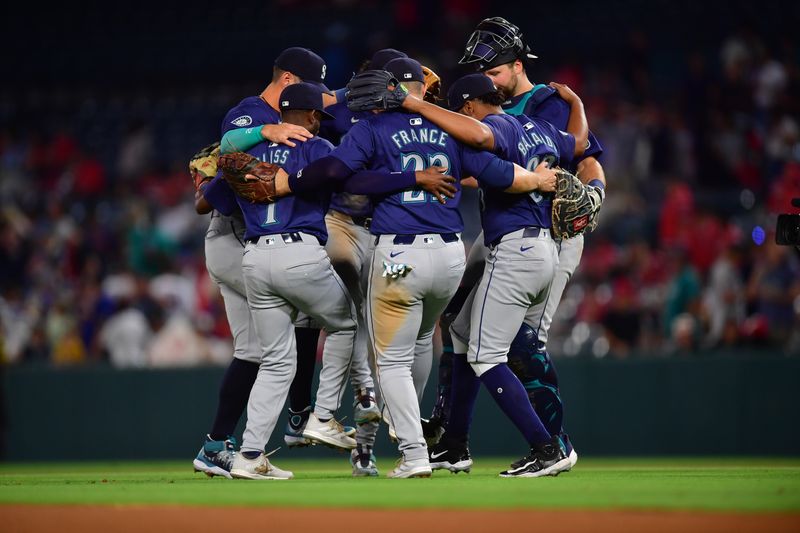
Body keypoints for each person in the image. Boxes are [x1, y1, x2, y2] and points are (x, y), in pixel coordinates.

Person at [273, 58, 558, 477]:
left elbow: (341, 175)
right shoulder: (448, 127)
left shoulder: (370, 129)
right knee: (424, 339)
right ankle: (405, 428)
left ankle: (413, 452)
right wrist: (536, 181)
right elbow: (495, 172)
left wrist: (292, 181)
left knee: (389, 361)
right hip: (448, 258)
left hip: (399, 258)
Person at [423, 17, 608, 470]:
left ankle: (554, 443)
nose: (488, 79)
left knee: (522, 343)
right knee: (458, 321)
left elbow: (584, 157)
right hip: (504, 224)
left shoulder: (543, 101)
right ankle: (454, 438)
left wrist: (596, 193)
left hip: (551, 231)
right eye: (482, 74)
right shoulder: (496, 113)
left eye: (494, 71)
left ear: (517, 65)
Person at [400, 72, 588, 476]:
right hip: (544, 250)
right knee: (463, 332)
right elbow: (581, 143)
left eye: (459, 110)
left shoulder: (497, 126)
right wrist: (576, 105)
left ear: (469, 107)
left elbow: (484, 140)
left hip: (517, 249)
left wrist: (417, 107)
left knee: (487, 356)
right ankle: (454, 445)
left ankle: (546, 448)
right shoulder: (541, 128)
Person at [191, 47, 342, 478]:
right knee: (304, 299)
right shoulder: (250, 112)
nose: (319, 97)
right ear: (291, 81)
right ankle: (301, 415)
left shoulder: (299, 120)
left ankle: (217, 445)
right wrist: (268, 129)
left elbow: (334, 103)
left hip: (244, 240)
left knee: (255, 350)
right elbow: (227, 148)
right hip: (236, 237)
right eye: (313, 87)